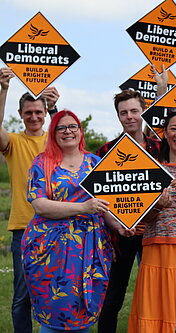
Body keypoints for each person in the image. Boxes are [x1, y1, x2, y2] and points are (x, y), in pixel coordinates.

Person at [22, 110, 132, 332]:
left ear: (80, 131)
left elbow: (105, 206)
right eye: (61, 128)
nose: (68, 131)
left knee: (84, 308)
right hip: (50, 249)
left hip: (90, 248)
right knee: (55, 308)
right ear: (53, 133)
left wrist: (118, 226)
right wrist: (83, 207)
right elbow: (40, 205)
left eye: (73, 126)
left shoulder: (95, 162)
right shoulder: (42, 163)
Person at [128, 109, 176, 333]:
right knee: (155, 313)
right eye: (173, 128)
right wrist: (157, 205)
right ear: (165, 133)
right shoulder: (151, 169)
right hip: (156, 249)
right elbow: (140, 218)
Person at [0, 67, 59, 333]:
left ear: (45, 114)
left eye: (39, 111)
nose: (34, 116)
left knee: (58, 291)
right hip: (24, 228)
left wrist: (57, 108)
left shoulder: (55, 142)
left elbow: (70, 133)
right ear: (20, 115)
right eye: (28, 112)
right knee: (23, 297)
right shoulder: (13, 142)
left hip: (57, 227)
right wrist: (3, 89)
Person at [97, 90, 161, 333]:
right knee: (113, 296)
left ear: (143, 111)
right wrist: (118, 225)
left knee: (155, 293)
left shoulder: (159, 148)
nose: (130, 117)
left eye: (134, 111)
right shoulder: (105, 151)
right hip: (119, 235)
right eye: (124, 113)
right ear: (118, 116)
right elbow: (100, 197)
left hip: (154, 232)